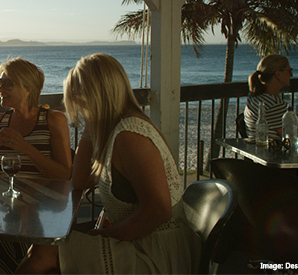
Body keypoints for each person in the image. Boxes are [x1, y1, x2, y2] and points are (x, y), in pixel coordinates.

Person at [58, 53, 199, 273]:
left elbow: (159, 211)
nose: (78, 105)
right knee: (46, 254)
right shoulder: (116, 130)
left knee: (44, 253)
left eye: (79, 97)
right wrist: (91, 124)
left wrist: (105, 234)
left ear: (97, 95)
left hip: (156, 253)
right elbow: (80, 180)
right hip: (139, 242)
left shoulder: (130, 135)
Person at [0, 57, 71, 274]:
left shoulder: (53, 120)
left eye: (8, 84)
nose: (0, 88)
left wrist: (26, 148)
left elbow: (64, 174)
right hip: (2, 207)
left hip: (40, 211)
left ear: (28, 89)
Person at [243, 54, 292, 139]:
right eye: (289, 71)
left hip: (255, 149)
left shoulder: (253, 97)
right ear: (278, 74)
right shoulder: (275, 105)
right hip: (273, 150)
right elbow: (291, 138)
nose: (291, 75)